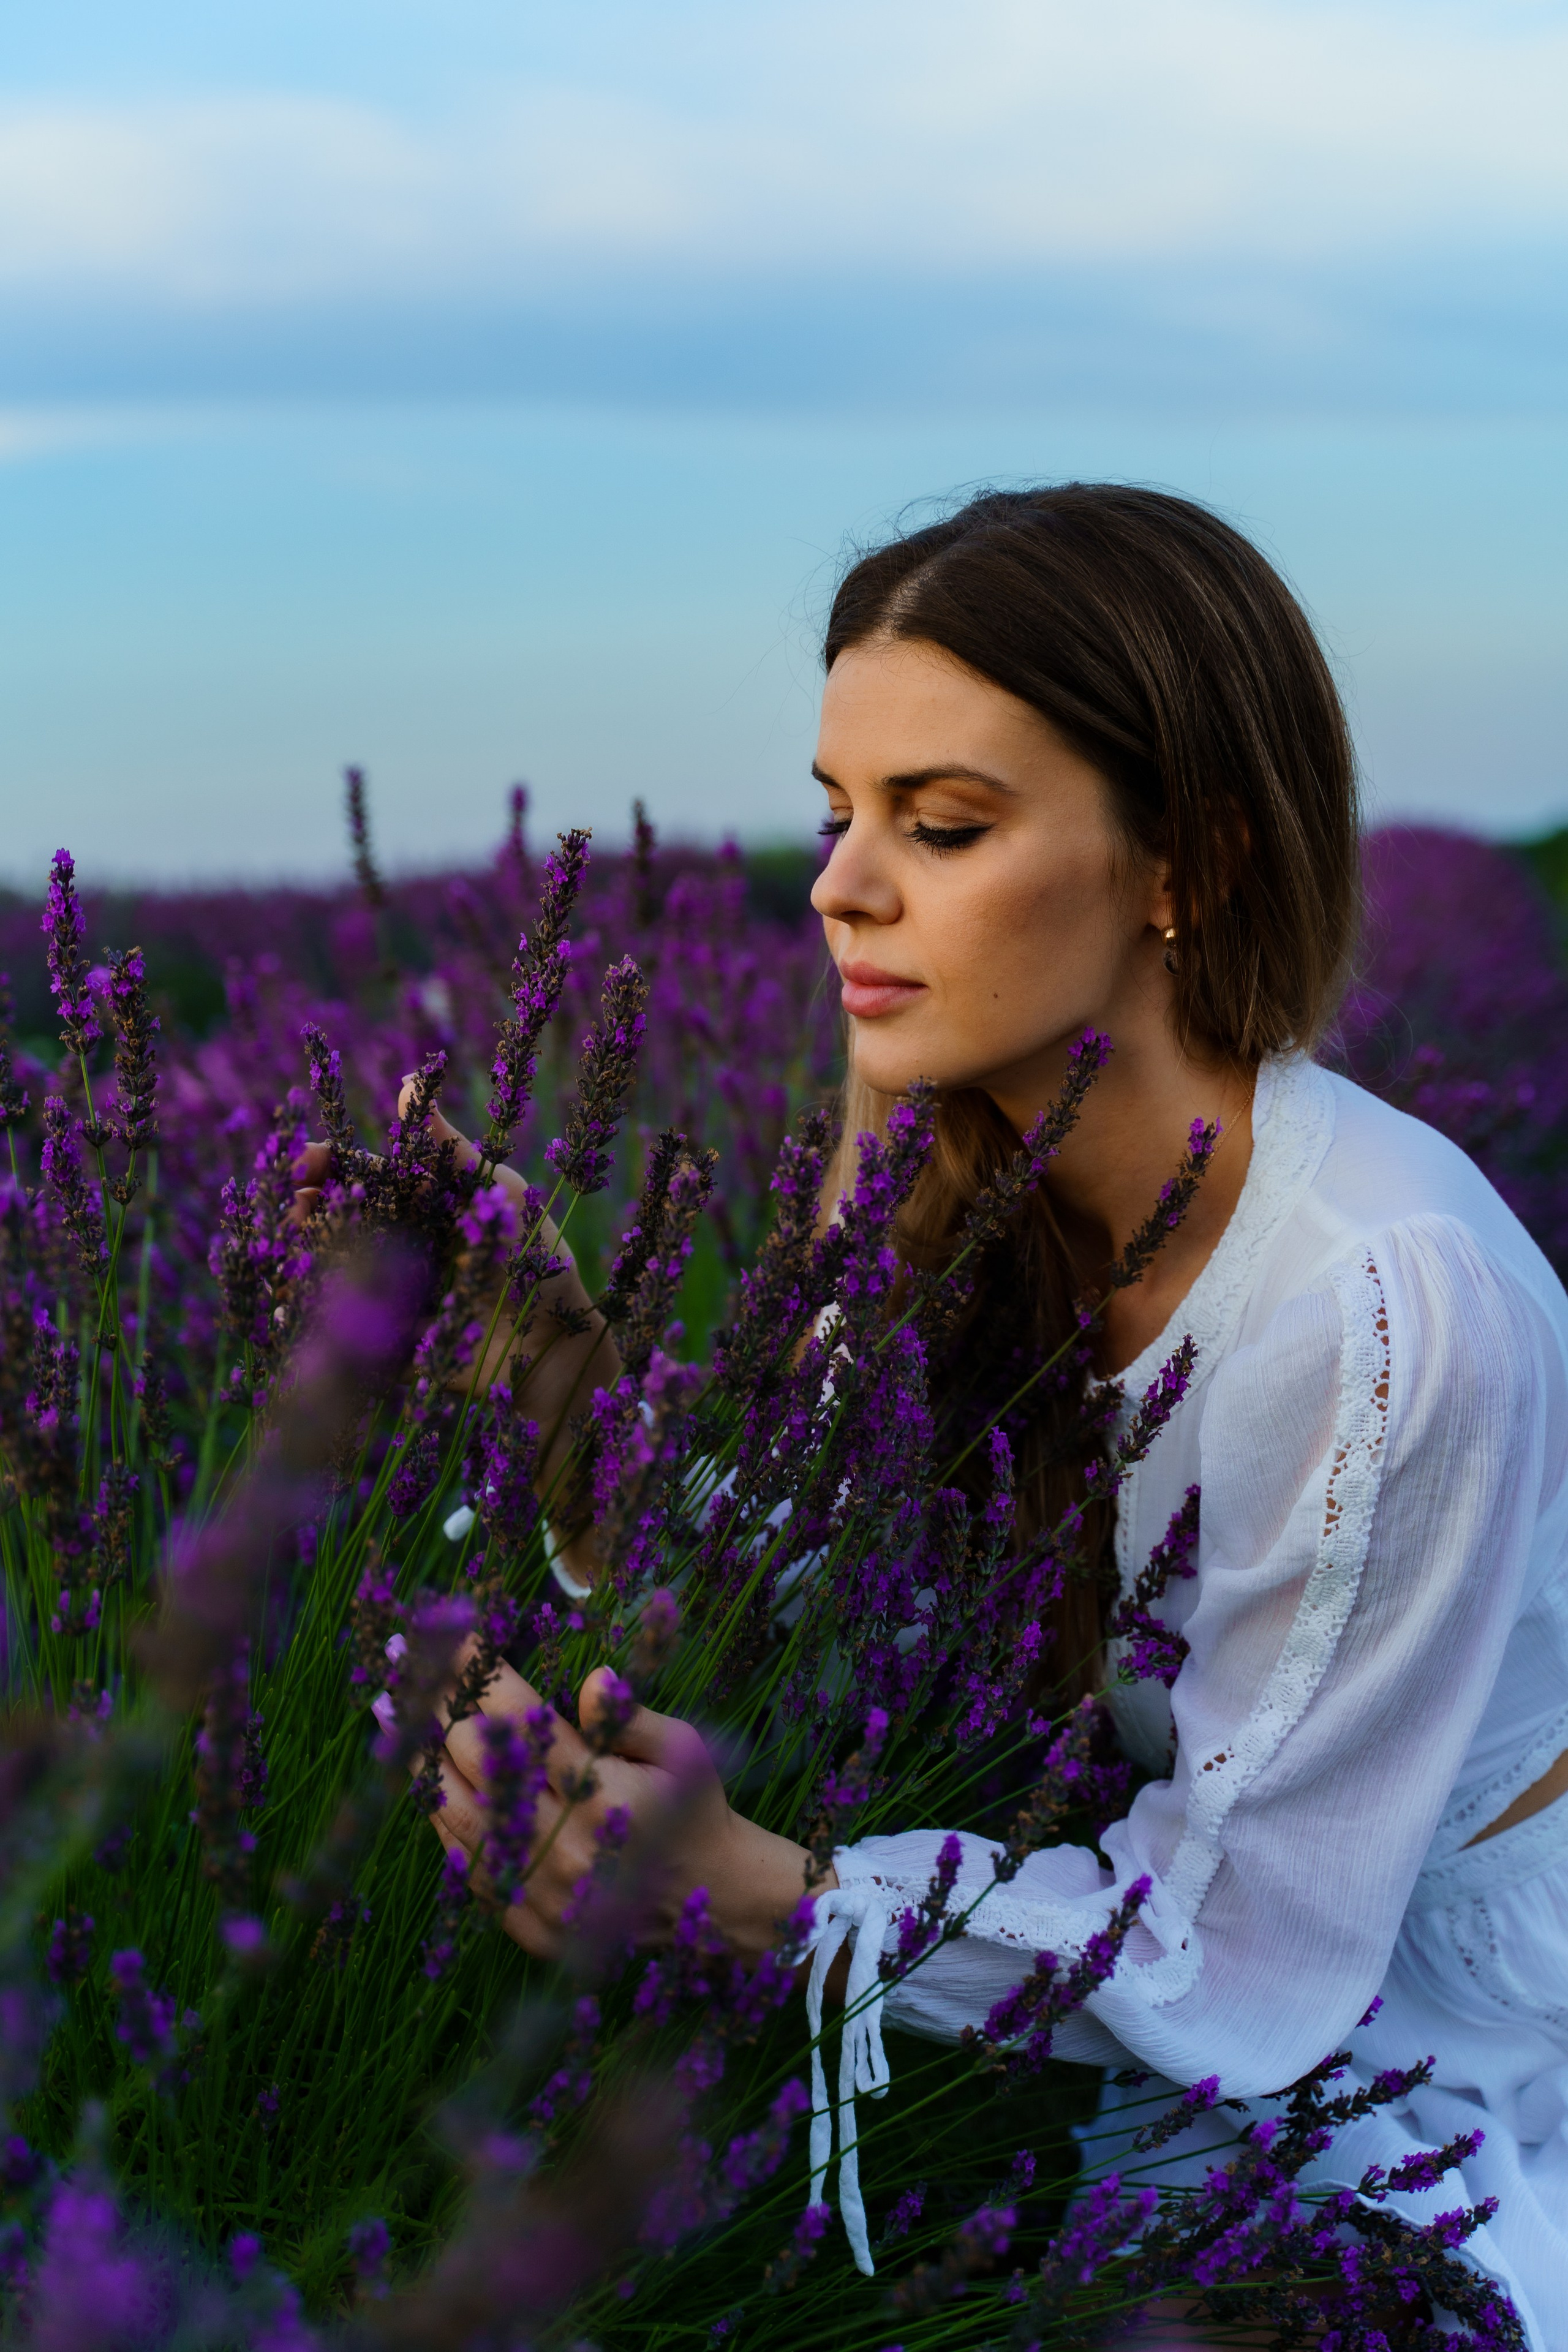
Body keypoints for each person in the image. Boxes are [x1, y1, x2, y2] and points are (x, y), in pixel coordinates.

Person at [397, 488, 1568, 2345]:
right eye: (837, 815)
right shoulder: (953, 1183)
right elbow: (823, 1590)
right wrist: (549, 1362)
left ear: (1187, 863)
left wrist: (759, 1897)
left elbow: (1241, 1951)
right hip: (1135, 1946)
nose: (841, 887)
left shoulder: (1377, 1303)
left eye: (940, 825)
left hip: (1445, 2035)